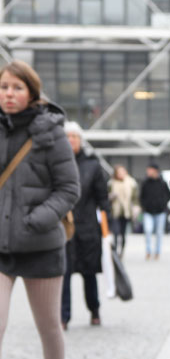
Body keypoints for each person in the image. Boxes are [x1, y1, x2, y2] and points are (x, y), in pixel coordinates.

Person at [0, 60, 80, 359]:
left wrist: (36, 220)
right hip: (2, 246)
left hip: (41, 245)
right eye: (3, 87)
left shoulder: (50, 132)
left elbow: (69, 188)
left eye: (16, 87)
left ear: (31, 92)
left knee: (48, 326)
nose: (9, 94)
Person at [61, 121, 110, 327]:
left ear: (80, 140)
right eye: (68, 137)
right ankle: (64, 316)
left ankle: (94, 310)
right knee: (64, 274)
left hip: (88, 228)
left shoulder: (92, 164)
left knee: (89, 273)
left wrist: (107, 231)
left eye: (75, 136)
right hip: (64, 228)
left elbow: (103, 199)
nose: (71, 140)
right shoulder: (58, 163)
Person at [139, 161, 170, 260]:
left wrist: (163, 203)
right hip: (148, 212)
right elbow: (141, 196)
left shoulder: (162, 183)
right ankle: (148, 251)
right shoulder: (145, 183)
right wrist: (144, 206)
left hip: (160, 212)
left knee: (159, 233)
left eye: (150, 169)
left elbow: (168, 195)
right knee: (148, 231)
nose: (148, 171)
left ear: (155, 170)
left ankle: (157, 252)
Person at [108, 164, 138, 257]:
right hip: (115, 211)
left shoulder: (131, 183)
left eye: (123, 171)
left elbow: (135, 198)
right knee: (116, 233)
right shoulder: (111, 183)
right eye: (119, 172)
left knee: (123, 233)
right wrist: (111, 196)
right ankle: (116, 251)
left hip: (126, 212)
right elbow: (106, 196)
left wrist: (136, 208)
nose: (121, 174)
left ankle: (122, 251)